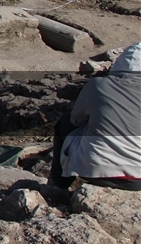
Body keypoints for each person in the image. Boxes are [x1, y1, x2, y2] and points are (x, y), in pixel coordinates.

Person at [50, 43, 141, 191]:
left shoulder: (98, 85)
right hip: (139, 180)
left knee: (65, 124)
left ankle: (59, 185)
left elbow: (76, 120)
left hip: (95, 172)